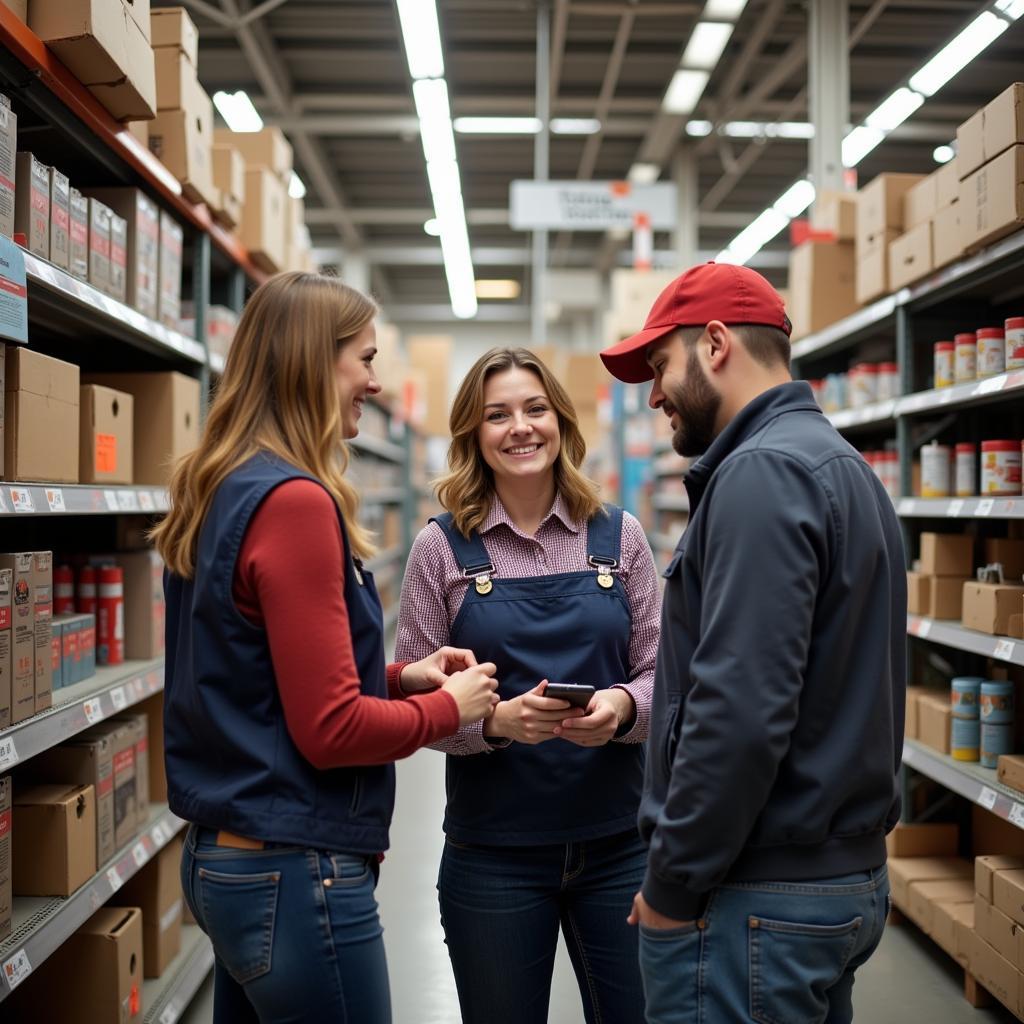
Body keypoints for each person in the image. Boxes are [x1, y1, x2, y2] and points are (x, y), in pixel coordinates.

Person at [152, 272, 499, 1024]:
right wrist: (449, 709)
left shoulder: (217, 485)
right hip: (292, 869)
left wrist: (403, 677)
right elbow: (332, 729)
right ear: (315, 361)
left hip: (223, 859)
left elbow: (253, 671)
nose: (374, 383)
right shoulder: (296, 503)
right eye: (364, 360)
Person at [599, 262, 906, 1024]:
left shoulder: (761, 475)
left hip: (753, 894)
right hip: (836, 879)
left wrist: (672, 884)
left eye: (661, 365)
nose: (655, 393)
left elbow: (738, 712)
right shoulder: (842, 467)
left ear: (714, 344)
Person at [395, 347, 661, 1024]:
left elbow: (666, 677)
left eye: (535, 408)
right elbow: (413, 705)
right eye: (498, 414)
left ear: (562, 423)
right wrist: (493, 724)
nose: (521, 427)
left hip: (618, 848)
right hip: (494, 858)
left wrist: (624, 706)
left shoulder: (621, 538)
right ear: (473, 435)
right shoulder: (441, 549)